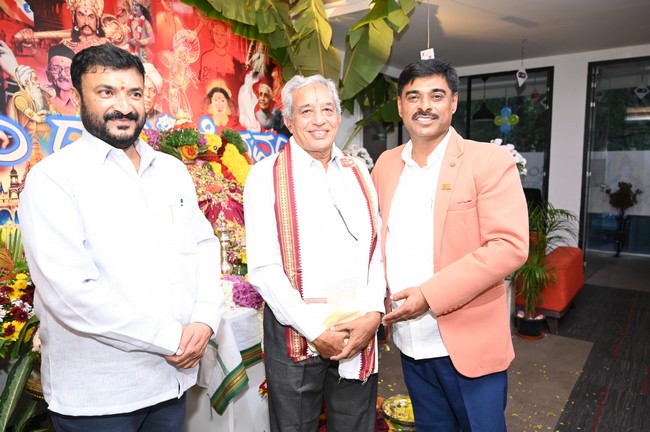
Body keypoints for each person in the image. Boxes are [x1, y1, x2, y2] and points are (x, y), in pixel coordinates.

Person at [18, 44, 225, 431]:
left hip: (171, 384)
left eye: (134, 93)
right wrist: (172, 338)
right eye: (106, 92)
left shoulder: (171, 171)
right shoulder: (53, 179)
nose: (124, 106)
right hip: (100, 395)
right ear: (77, 97)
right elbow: (70, 293)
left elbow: (203, 246)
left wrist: (204, 320)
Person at [371, 58, 529, 431]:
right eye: (413, 96)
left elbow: (509, 245)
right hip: (410, 343)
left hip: (468, 342)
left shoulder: (488, 161)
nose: (424, 105)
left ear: (453, 102)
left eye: (436, 95)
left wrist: (429, 295)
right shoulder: (386, 165)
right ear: (400, 106)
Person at [244, 74, 385, 431]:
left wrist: (374, 313)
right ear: (289, 121)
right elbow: (264, 268)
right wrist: (315, 331)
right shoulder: (264, 176)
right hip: (296, 331)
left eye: (327, 109)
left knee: (356, 424)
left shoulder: (358, 172)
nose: (319, 119)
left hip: (357, 330)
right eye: (306, 111)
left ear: (338, 116)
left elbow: (376, 250)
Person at [45, 44, 76, 115]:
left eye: (68, 69)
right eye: (56, 68)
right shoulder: (43, 105)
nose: (62, 74)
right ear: (48, 75)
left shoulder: (84, 104)